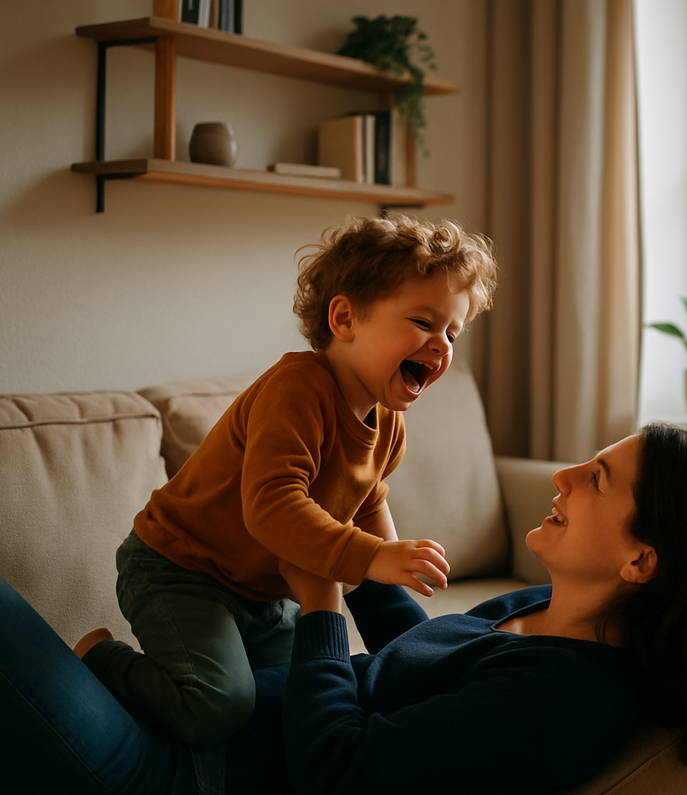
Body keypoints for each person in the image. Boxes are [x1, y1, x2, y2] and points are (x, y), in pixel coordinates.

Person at [0, 422, 687, 794]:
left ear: (641, 561)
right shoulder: (546, 608)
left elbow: (338, 773)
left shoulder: (568, 698)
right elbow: (421, 659)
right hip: (210, 723)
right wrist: (365, 539)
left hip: (181, 774)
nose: (563, 475)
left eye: (596, 478)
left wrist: (321, 604)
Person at [73, 214, 499, 747]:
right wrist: (371, 556)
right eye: (422, 322)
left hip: (266, 593)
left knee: (295, 703)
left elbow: (366, 499)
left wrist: (394, 570)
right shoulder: (297, 389)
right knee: (218, 707)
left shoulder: (388, 424)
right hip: (180, 567)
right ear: (345, 318)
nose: (441, 346)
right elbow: (272, 506)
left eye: (452, 332)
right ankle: (99, 657)